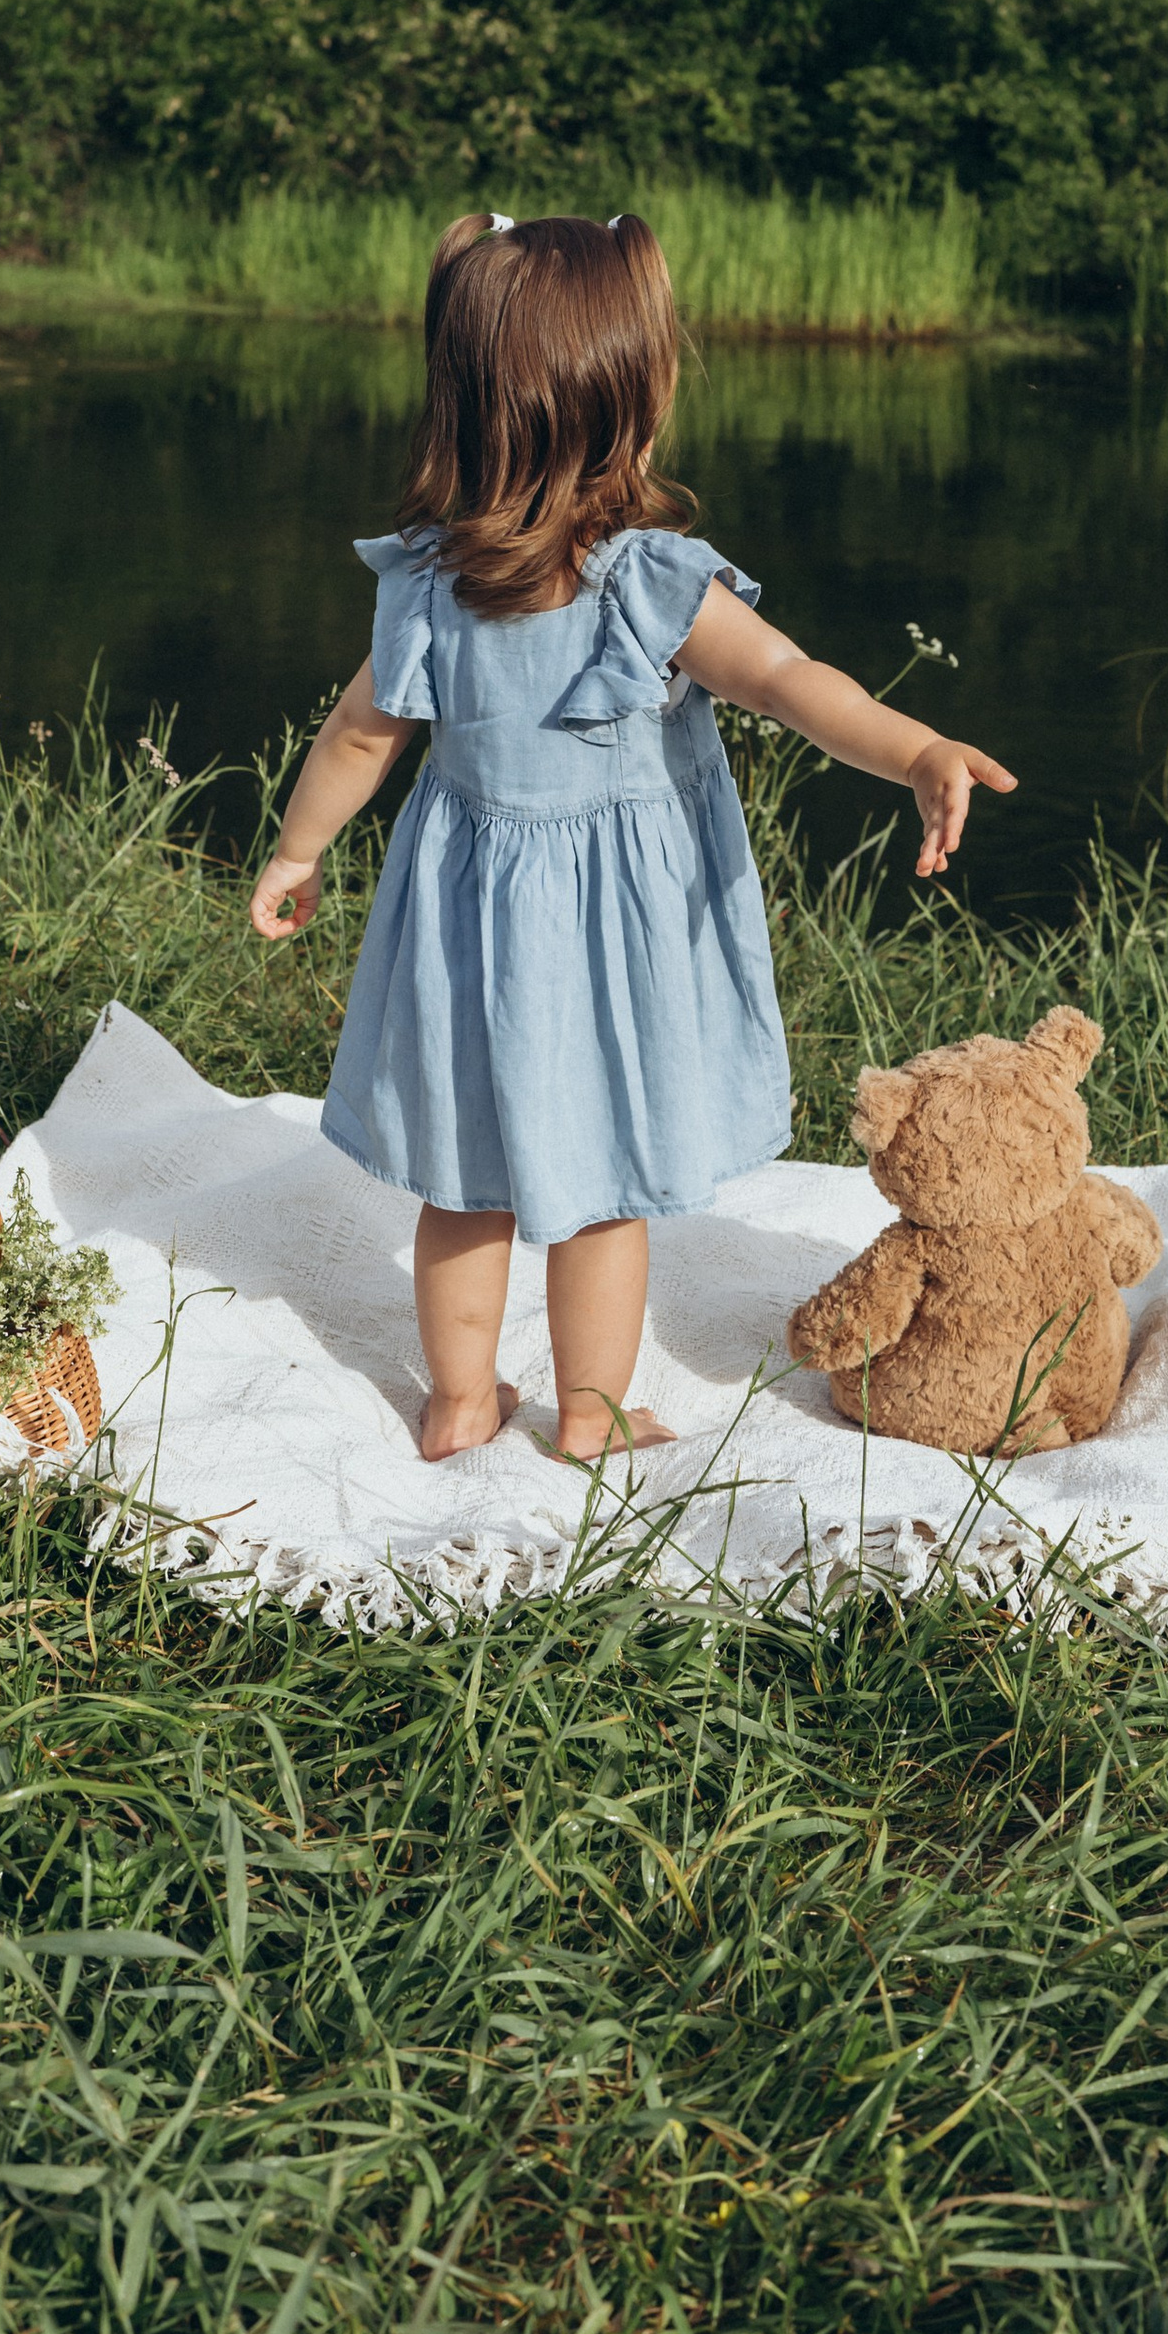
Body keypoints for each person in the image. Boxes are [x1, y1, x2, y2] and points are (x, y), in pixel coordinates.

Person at [248, 211, 1015, 1464]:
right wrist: (916, 748)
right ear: (627, 408)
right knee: (599, 1184)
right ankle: (590, 1415)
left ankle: (457, 1402)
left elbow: (356, 736)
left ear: (466, 405)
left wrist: (298, 851)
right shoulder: (650, 581)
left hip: (467, 926)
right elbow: (793, 683)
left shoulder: (431, 577)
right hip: (609, 939)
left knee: (463, 1175)